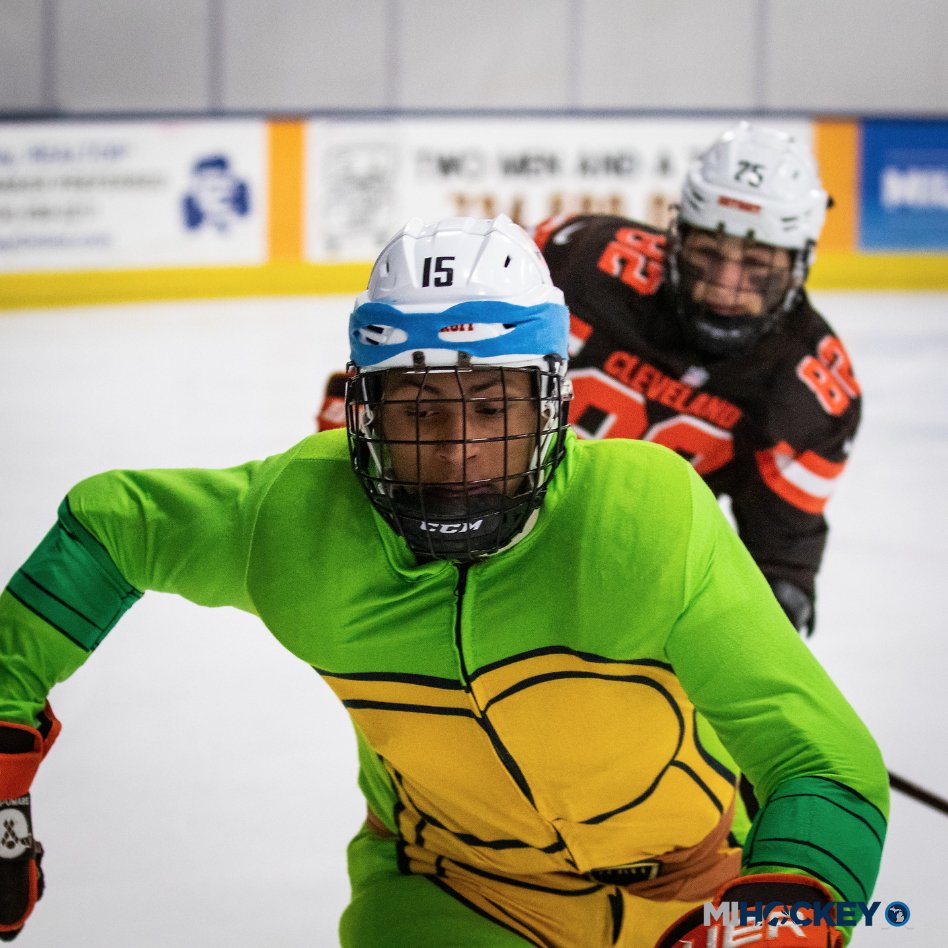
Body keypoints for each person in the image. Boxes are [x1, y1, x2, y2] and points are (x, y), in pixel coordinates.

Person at [0, 215, 887, 946]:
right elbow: (112, 527)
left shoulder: (647, 518)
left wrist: (786, 913)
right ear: (364, 410)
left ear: (551, 402)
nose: (459, 453)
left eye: (493, 408)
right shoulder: (299, 516)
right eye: (419, 409)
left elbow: (825, 766)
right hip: (453, 895)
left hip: (697, 892)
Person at [535, 122, 858, 639]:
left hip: (631, 585)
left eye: (757, 265)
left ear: (800, 266)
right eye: (708, 253)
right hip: (492, 515)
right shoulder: (576, 259)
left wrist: (774, 611)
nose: (725, 287)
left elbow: (780, 559)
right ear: (677, 234)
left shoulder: (810, 390)